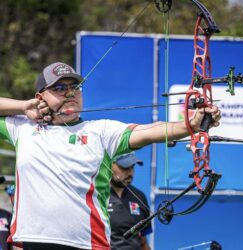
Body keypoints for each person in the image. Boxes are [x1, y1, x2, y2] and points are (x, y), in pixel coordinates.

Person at [0, 62, 221, 250]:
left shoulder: (101, 132)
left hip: (86, 245)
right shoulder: (21, 127)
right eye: (59, 88)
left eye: (75, 87)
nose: (70, 93)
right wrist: (22, 106)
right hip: (27, 242)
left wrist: (189, 125)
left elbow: (149, 131)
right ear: (40, 97)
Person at [109, 152, 152, 250]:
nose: (130, 173)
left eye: (132, 167)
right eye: (125, 168)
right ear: (109, 165)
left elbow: (143, 243)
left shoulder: (140, 197)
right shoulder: (96, 196)